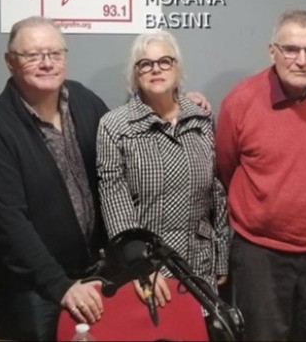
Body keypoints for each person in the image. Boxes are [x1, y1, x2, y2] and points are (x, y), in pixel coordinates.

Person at [215, 9, 306, 341]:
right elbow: (227, 166)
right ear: (272, 52)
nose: (302, 60)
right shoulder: (241, 101)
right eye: (291, 49)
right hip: (260, 254)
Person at [0, 17, 108, 340]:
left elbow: (120, 152)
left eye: (55, 53)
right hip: (38, 289)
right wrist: (59, 285)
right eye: (33, 55)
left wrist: (173, 103)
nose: (47, 63)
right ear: (10, 61)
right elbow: (8, 222)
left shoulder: (84, 100)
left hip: (94, 274)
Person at [96, 31, 229, 307]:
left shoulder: (201, 119)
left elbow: (216, 194)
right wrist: (139, 266)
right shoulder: (114, 126)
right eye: (145, 64)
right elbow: (114, 201)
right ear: (135, 75)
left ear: (177, 68)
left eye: (165, 61)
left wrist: (221, 258)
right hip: (147, 273)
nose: (156, 69)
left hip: (199, 268)